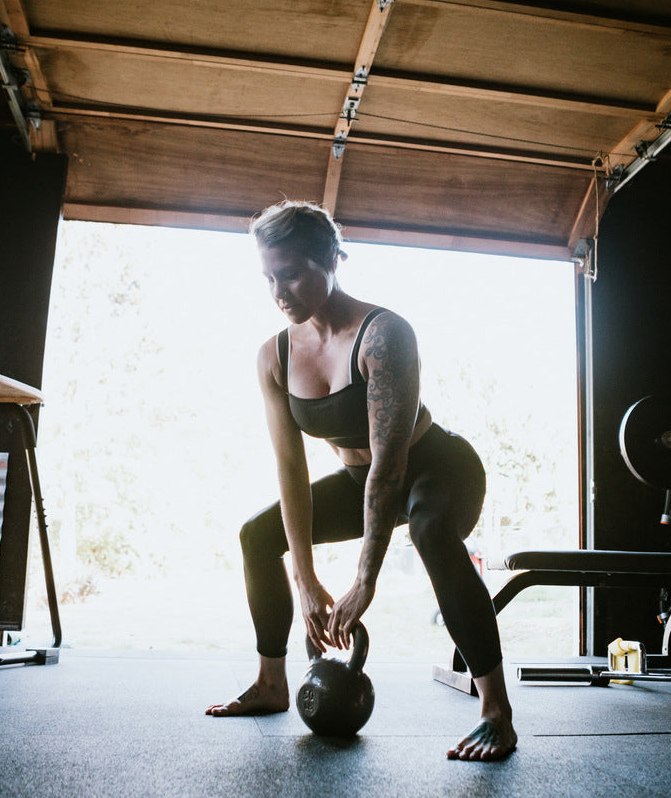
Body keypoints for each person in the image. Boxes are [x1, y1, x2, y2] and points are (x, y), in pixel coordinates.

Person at [206, 200, 517, 761]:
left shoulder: (384, 335)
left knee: (428, 530)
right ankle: (272, 683)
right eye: (268, 277)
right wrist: (304, 580)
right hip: (359, 479)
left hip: (436, 468)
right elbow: (292, 471)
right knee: (257, 534)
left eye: (292, 272)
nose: (280, 290)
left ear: (331, 258)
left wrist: (363, 579)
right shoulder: (274, 356)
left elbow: (390, 465)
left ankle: (496, 710)